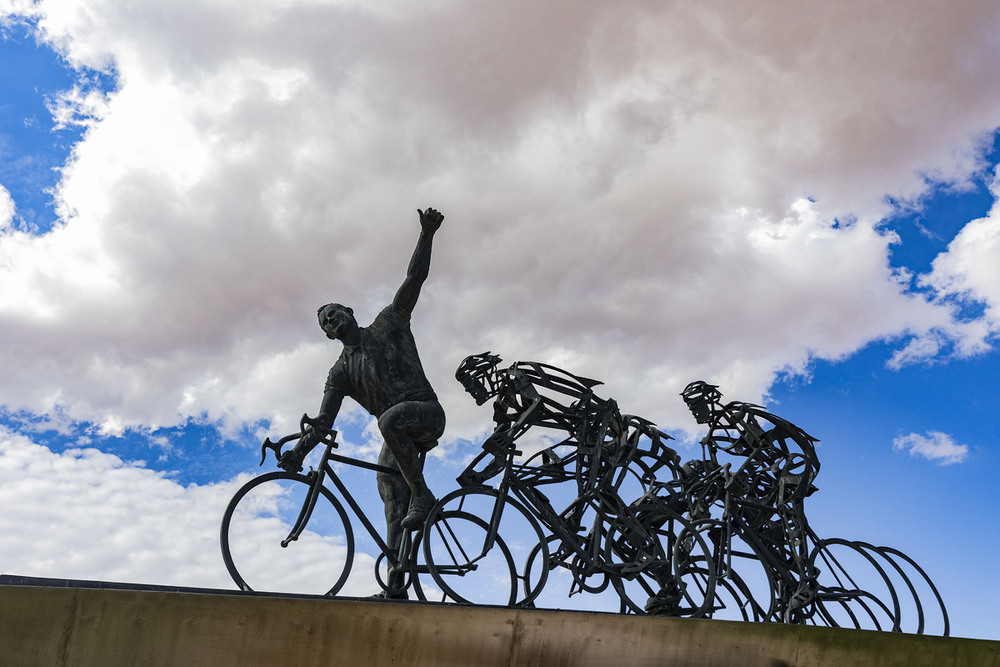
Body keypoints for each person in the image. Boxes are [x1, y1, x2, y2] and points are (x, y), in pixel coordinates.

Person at [278, 208, 447, 595]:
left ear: (350, 312)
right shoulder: (340, 373)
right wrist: (300, 453)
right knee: (391, 504)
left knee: (388, 422)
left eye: (335, 313)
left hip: (425, 413)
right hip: (396, 431)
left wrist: (427, 233)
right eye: (327, 323)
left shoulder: (390, 323)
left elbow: (414, 279)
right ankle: (396, 585)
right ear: (328, 335)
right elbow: (323, 422)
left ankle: (423, 494)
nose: (333, 321)